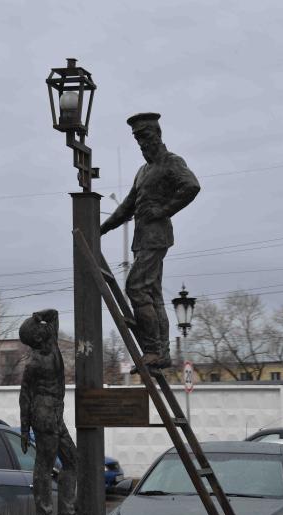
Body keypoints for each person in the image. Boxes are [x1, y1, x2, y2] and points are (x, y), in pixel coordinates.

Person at [100, 112, 200, 374]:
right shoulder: (142, 171)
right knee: (152, 294)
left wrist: (164, 209)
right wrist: (102, 228)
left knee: (135, 287)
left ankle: (153, 350)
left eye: (144, 137)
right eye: (137, 139)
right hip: (142, 238)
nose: (141, 143)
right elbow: (127, 206)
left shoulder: (171, 162)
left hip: (157, 236)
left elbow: (191, 186)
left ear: (157, 135)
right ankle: (161, 354)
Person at [19, 308, 88, 515]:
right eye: (41, 328)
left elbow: (55, 314)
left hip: (56, 414)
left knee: (72, 460)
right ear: (37, 337)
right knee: (44, 467)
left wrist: (37, 315)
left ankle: (67, 513)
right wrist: (24, 429)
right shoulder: (33, 363)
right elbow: (25, 396)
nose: (46, 327)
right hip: (43, 416)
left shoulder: (53, 344)